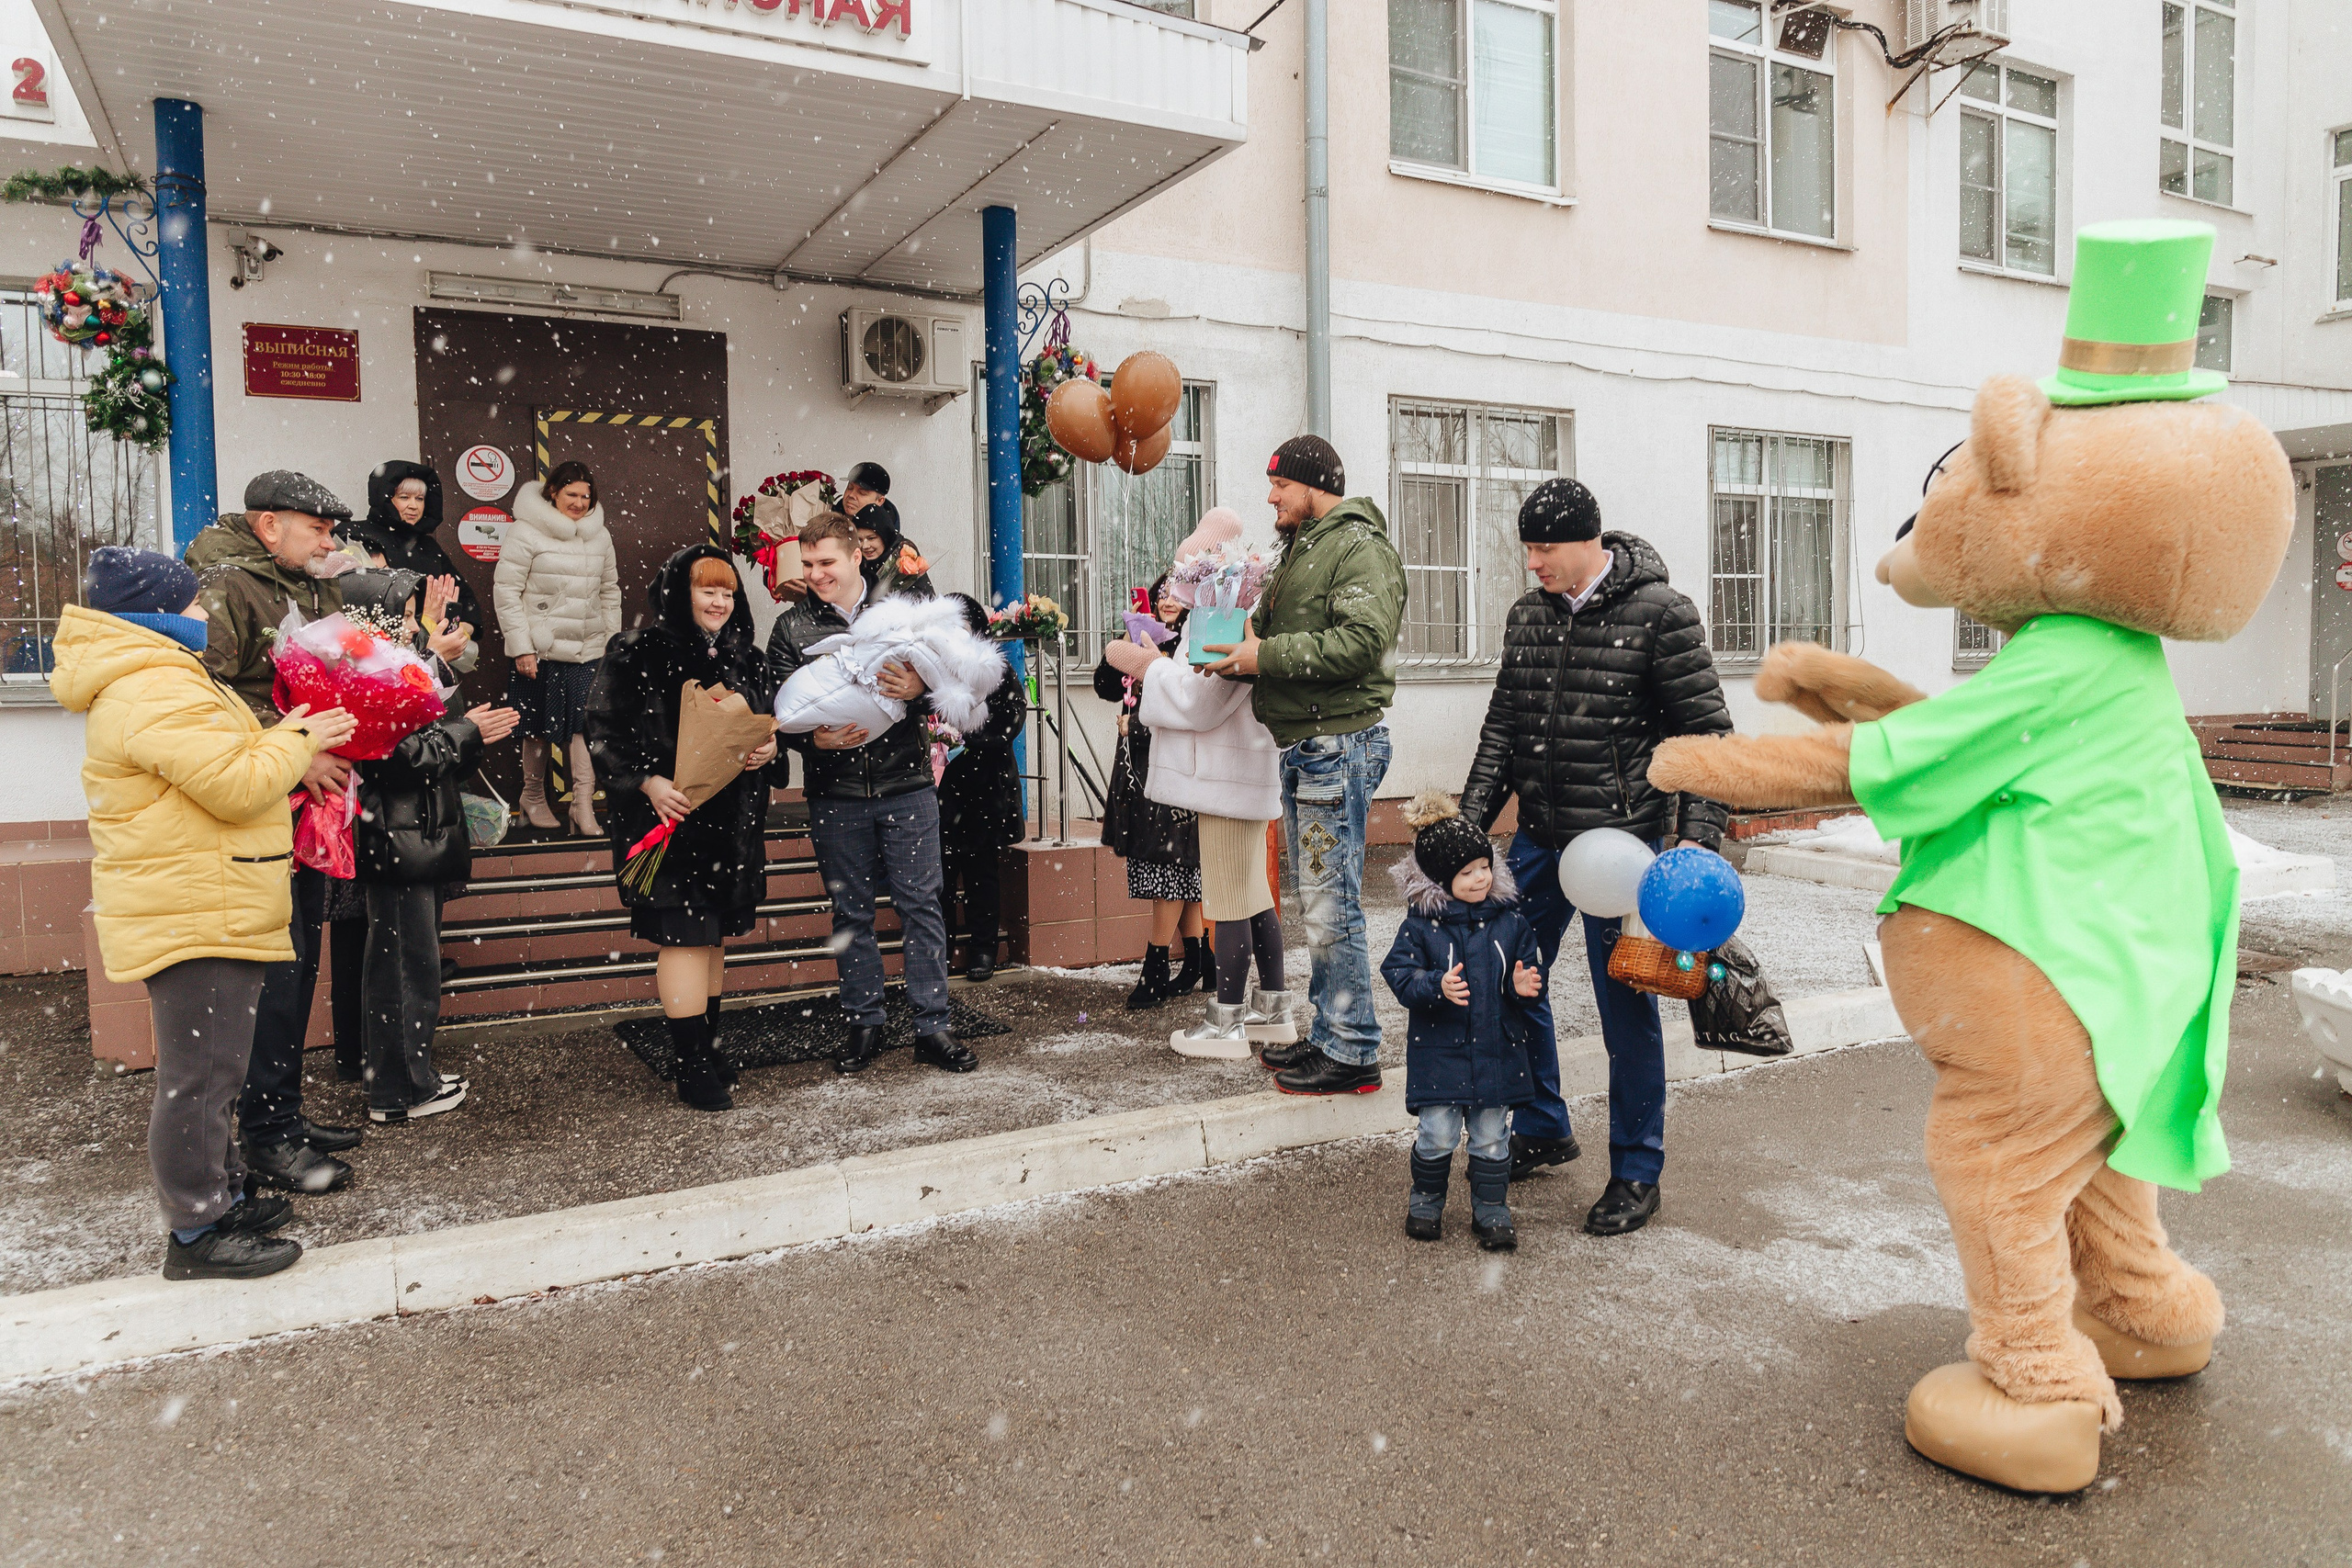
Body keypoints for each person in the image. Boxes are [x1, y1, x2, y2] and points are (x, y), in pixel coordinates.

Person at [50, 547, 357, 1279]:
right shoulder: (154, 684)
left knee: (214, 1070)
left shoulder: (158, 677)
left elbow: (221, 762)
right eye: (191, 604)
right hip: (194, 900)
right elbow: (233, 782)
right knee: (201, 1079)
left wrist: (281, 741)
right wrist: (300, 737)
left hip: (202, 891)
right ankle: (196, 1231)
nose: (201, 615)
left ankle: (222, 1195)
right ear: (155, 614)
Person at [1455, 477, 1732, 1236]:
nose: (1534, 563)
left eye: (1545, 549)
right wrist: (1468, 829)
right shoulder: (1528, 616)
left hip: (1624, 849)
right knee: (1508, 977)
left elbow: (1707, 738)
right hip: (1540, 839)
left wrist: (1695, 851)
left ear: (1589, 541)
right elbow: (1502, 731)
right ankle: (1544, 1122)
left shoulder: (1661, 614)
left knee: (1627, 1008)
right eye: (1528, 549)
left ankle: (1638, 1171)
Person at [185, 470, 368, 1196]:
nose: (331, 542)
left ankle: (281, 1109)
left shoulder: (314, 585)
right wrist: (298, 747)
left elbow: (332, 673)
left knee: (302, 961)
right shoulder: (224, 585)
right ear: (270, 526)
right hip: (262, 802)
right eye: (318, 528)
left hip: (312, 804)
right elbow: (207, 697)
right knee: (277, 974)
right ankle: (267, 1136)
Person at [1204, 436, 1405, 1095]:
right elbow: (1269, 633)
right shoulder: (1306, 548)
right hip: (1310, 745)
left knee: (1330, 904)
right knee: (1320, 901)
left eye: (1279, 485)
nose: (1270, 497)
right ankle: (1329, 1034)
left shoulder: (1358, 548)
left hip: (1336, 745)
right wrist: (1227, 642)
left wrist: (1261, 657)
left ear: (1314, 483)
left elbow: (1361, 641)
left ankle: (1351, 1050)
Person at [763, 511, 971, 1076]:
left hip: (907, 785)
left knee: (921, 905)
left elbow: (962, 687)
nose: (816, 574)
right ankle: (864, 1021)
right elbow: (776, 715)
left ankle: (934, 1025)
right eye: (807, 565)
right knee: (850, 911)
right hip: (836, 794)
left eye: (826, 562)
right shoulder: (790, 629)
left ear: (857, 556)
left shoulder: (901, 613)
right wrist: (815, 745)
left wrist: (922, 686)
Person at [589, 545, 780, 1111]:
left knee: (714, 938)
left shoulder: (750, 656)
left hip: (734, 827)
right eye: (707, 590)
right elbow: (603, 732)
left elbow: (767, 724)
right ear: (679, 594)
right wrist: (645, 783)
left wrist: (768, 749)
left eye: (727, 591)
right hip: (670, 822)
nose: (720, 601)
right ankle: (691, 1062)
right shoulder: (636, 652)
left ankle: (708, 1044)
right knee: (684, 937)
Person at [341, 569, 518, 1124]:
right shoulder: (364, 674)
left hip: (412, 834)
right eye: (406, 612)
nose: (415, 624)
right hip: (396, 837)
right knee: (402, 968)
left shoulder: (390, 667)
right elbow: (398, 757)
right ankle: (398, 1091)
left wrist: (460, 729)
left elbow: (425, 743)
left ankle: (408, 1074)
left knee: (410, 964)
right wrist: (469, 731)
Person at [1103, 586, 1291, 1063]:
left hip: (1222, 777)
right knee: (1253, 897)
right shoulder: (1244, 609)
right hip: (1243, 773)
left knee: (1228, 898)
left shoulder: (1222, 614)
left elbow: (1199, 702)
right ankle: (1272, 1009)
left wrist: (1153, 668)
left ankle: (1226, 1020)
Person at [1380, 790, 1545, 1251]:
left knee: (1493, 1137)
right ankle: (1426, 1199)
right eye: (1467, 872)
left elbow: (1529, 969)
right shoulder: (1421, 926)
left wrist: (1524, 986)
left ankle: (1491, 1209)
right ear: (1439, 878)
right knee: (1437, 1133)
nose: (1480, 878)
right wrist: (1436, 986)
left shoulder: (1509, 920)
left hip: (1497, 1050)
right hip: (1441, 1054)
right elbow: (1398, 973)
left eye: (1484, 867)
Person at [1092, 575, 1207, 1010]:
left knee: (1170, 866)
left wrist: (1136, 724)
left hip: (1173, 768)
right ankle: (1200, 958)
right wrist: (1127, 641)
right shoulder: (1144, 639)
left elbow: (1187, 707)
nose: (1167, 602)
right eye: (1161, 594)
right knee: (1177, 867)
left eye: (1178, 597)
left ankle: (1156, 968)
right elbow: (1106, 687)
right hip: (1141, 770)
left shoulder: (1189, 646)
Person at [495, 459, 622, 836]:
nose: (580, 503)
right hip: (540, 650)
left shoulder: (600, 535)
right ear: (553, 492)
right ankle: (532, 797)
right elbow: (506, 592)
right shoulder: (526, 532)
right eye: (572, 494)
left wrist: (610, 642)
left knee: (585, 728)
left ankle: (583, 804)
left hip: (589, 651)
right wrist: (521, 646)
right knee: (535, 727)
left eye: (586, 496)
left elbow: (609, 590)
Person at [935, 594, 1027, 983]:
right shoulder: (929, 668)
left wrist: (968, 740)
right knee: (938, 874)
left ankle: (983, 949)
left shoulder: (996, 669)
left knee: (981, 874)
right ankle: (937, 950)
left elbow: (1012, 716)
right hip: (940, 788)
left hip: (984, 784)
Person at [341, 460, 481, 671]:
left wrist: (449, 627)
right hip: (376, 662)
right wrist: (424, 623)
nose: (413, 506)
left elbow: (468, 605)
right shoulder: (355, 536)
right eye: (404, 497)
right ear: (385, 498)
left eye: (420, 499)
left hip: (434, 662)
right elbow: (354, 608)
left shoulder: (429, 548)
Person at [841, 461, 933, 599]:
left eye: (862, 492)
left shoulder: (897, 546)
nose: (852, 495)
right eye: (849, 488)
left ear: (880, 501)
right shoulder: (828, 523)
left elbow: (920, 597)